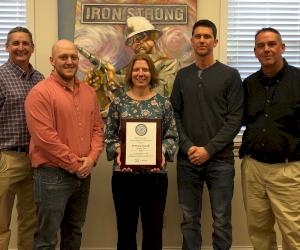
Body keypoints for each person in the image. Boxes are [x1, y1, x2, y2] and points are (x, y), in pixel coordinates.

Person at [170, 19, 244, 250]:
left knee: (221, 220)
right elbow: (174, 116)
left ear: (215, 41)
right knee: (189, 220)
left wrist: (208, 150)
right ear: (192, 41)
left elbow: (235, 119)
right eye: (198, 36)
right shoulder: (182, 76)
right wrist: (189, 147)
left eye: (207, 36)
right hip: (187, 160)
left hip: (220, 161)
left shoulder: (230, 75)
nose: (202, 40)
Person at [25, 39, 104, 249]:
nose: (69, 61)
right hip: (52, 176)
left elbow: (97, 129)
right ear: (52, 61)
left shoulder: (89, 92)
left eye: (73, 57)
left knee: (74, 233)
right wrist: (76, 164)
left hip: (83, 176)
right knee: (46, 239)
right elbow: (45, 139)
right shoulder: (40, 93)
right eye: (63, 57)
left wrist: (91, 159)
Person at [105, 53, 178, 250]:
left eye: (145, 69)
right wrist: (120, 152)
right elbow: (109, 136)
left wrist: (161, 153)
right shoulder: (118, 103)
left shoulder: (164, 103)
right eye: (136, 69)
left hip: (155, 177)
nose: (141, 73)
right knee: (126, 231)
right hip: (124, 176)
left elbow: (172, 136)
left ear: (151, 73)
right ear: (131, 73)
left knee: (153, 232)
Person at [239, 27, 300, 250]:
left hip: (288, 170)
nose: (267, 49)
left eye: (272, 44)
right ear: (255, 52)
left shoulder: (298, 80)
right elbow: (239, 119)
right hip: (254, 169)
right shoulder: (248, 84)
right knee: (259, 233)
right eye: (261, 46)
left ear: (282, 47)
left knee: (294, 234)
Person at [0, 26, 44, 250]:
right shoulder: (0, 76)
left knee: (30, 221)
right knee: (0, 223)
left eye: (25, 43)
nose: (20, 47)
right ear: (7, 47)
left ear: (32, 48)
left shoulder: (40, 79)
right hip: (6, 159)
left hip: (34, 160)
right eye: (15, 43)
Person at [84, 16, 179, 116]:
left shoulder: (169, 64)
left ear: (153, 36)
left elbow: (157, 98)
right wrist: (100, 89)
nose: (137, 43)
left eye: (141, 37)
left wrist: (115, 82)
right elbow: (111, 106)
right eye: (131, 41)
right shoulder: (124, 71)